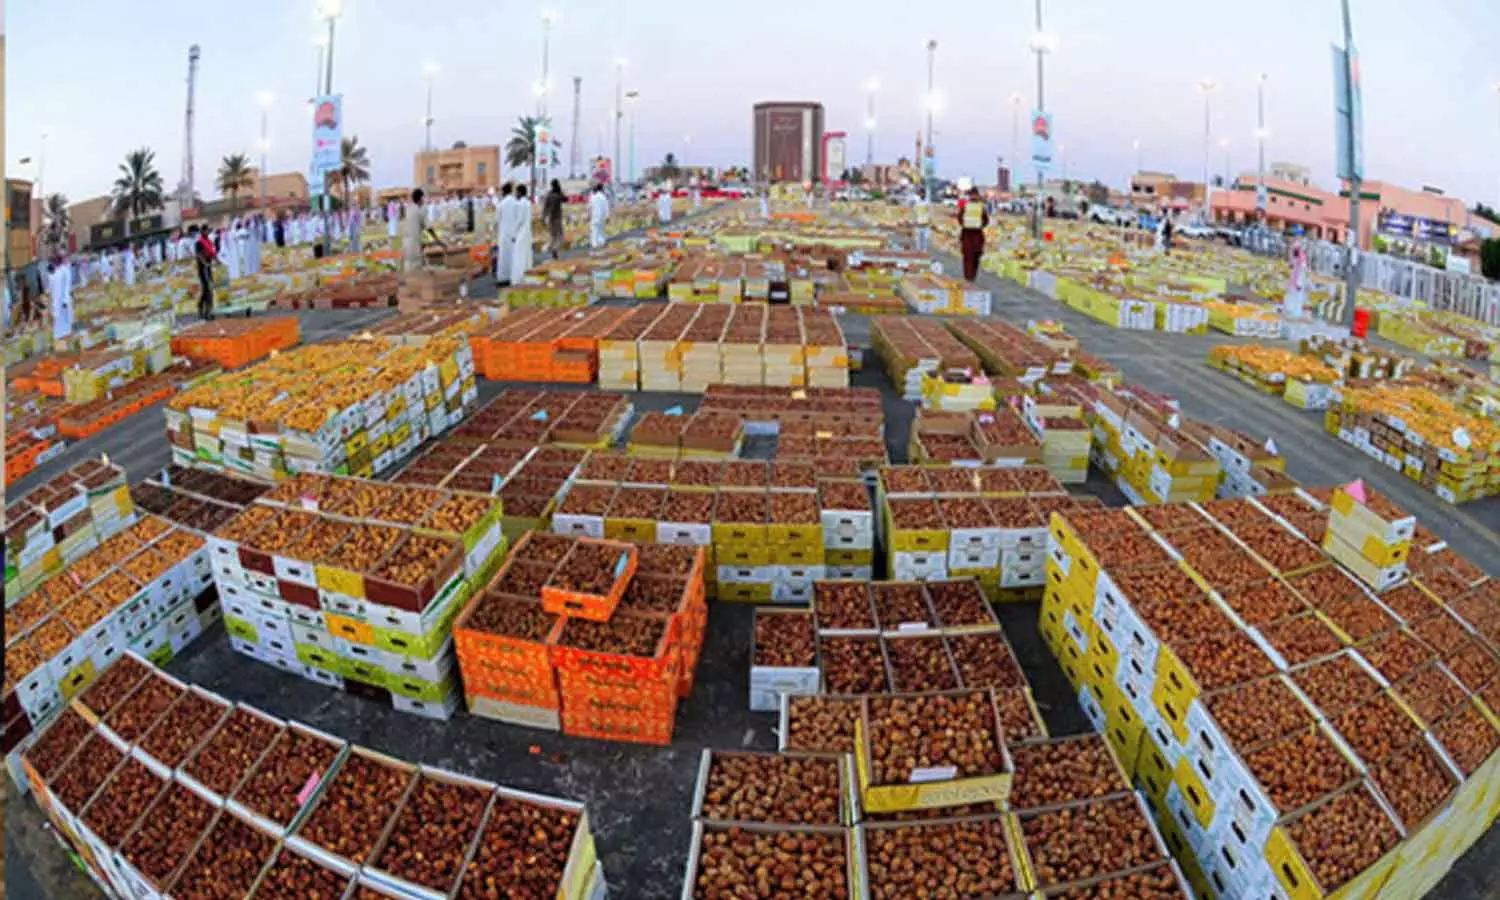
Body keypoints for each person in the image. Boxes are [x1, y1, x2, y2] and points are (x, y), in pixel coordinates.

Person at [956, 187, 990, 282]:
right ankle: (969, 277)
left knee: (973, 257)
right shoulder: (971, 207)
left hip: (974, 235)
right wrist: (978, 225)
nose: (974, 196)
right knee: (969, 257)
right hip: (971, 235)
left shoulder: (976, 207)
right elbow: (960, 218)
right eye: (973, 195)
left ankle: (970, 277)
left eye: (975, 195)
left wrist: (966, 224)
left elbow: (986, 220)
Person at [402, 188, 435, 273]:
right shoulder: (420, 210)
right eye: (423, 198)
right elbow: (429, 228)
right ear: (421, 198)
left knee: (408, 268)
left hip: (406, 243)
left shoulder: (409, 209)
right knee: (415, 269)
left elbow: (416, 226)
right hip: (414, 244)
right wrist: (437, 240)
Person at [508, 185, 535, 284]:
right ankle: (527, 276)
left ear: (519, 192)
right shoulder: (528, 203)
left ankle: (518, 279)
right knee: (526, 255)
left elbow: (519, 220)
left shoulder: (519, 204)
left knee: (518, 256)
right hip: (527, 232)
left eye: (516, 192)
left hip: (520, 233)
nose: (515, 194)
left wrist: (513, 234)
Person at [192, 226, 218, 320]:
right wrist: (205, 263)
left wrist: (218, 261)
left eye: (208, 231)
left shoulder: (209, 242)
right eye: (206, 230)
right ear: (202, 231)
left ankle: (206, 309)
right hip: (202, 268)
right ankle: (206, 310)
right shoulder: (199, 242)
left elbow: (212, 253)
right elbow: (199, 255)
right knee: (207, 289)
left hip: (208, 268)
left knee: (209, 289)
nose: (207, 232)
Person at [496, 183, 519, 285]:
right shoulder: (516, 203)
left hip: (504, 233)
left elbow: (498, 219)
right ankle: (514, 276)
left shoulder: (501, 204)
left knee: (504, 255)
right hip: (515, 232)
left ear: (504, 191)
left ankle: (503, 277)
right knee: (514, 254)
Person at [48, 255, 74, 342]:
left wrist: (64, 301)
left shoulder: (61, 272)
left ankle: (65, 342)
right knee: (63, 325)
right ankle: (64, 342)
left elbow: (64, 288)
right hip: (62, 302)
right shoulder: (58, 273)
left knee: (63, 325)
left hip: (62, 303)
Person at [543, 180, 566, 259]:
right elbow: (565, 199)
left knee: (553, 236)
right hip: (557, 217)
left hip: (550, 218)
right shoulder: (558, 195)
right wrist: (560, 191)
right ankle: (555, 249)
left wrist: (544, 216)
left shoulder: (549, 195)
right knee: (560, 236)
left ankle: (553, 249)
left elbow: (545, 207)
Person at [588, 183, 610, 249]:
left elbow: (590, 206)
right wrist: (607, 216)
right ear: (602, 189)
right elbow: (606, 207)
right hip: (602, 216)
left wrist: (589, 214)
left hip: (595, 215)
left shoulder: (593, 197)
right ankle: (602, 242)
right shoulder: (603, 197)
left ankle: (594, 243)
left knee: (594, 229)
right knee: (601, 229)